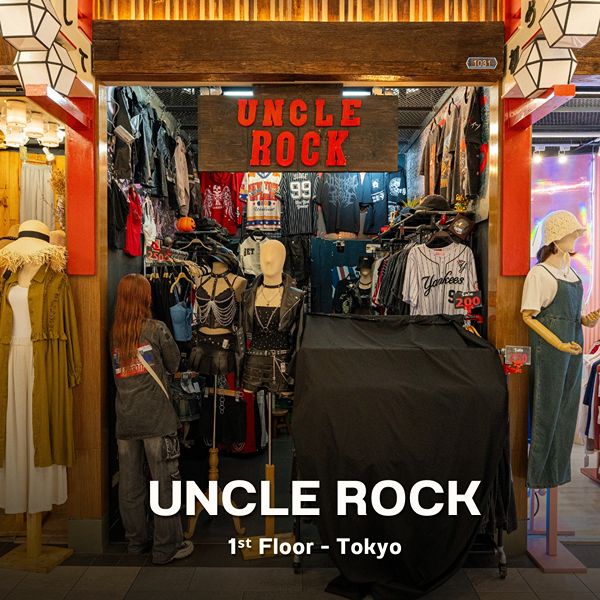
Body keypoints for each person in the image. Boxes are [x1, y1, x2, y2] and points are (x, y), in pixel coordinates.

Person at [111, 273, 193, 564]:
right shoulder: (156, 329)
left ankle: (136, 542)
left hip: (125, 419)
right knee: (164, 483)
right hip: (156, 419)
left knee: (130, 485)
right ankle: (166, 547)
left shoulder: (114, 334)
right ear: (145, 298)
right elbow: (173, 364)